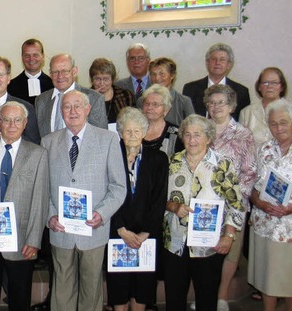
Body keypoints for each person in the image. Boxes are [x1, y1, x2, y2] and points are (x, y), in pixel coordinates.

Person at [42, 90, 126, 311]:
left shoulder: (108, 139)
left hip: (94, 229)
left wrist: (102, 213)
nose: (72, 111)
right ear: (61, 112)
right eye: (67, 107)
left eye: (78, 105)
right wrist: (50, 216)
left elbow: (118, 187)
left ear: (88, 109)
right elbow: (41, 188)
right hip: (60, 230)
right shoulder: (48, 142)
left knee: (91, 289)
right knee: (62, 290)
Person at [0, 101, 50, 311]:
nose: (11, 125)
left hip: (21, 241)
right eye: (6, 120)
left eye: (17, 120)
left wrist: (34, 240)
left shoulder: (38, 154)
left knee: (19, 299)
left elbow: (40, 200)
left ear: (25, 123)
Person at [163, 114, 244, 310]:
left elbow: (236, 203)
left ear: (208, 138)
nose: (191, 140)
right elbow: (156, 198)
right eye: (187, 134)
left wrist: (229, 236)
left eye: (197, 135)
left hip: (209, 245)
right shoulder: (171, 162)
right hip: (175, 242)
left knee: (207, 299)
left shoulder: (223, 164)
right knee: (174, 299)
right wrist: (173, 206)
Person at [105, 107, 168, 311]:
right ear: (120, 133)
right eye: (127, 131)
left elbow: (160, 199)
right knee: (119, 289)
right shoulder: (110, 157)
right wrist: (121, 229)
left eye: (137, 131)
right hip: (117, 233)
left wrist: (145, 232)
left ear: (144, 132)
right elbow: (105, 195)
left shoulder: (158, 159)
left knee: (143, 288)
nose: (132, 136)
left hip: (146, 237)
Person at [204, 84, 257, 310]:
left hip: (233, 203)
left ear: (232, 106)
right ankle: (205, 294)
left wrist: (232, 197)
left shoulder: (243, 134)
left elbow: (250, 171)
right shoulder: (199, 128)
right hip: (203, 202)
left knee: (230, 251)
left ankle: (222, 297)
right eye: (212, 102)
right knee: (204, 250)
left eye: (221, 103)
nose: (216, 107)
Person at [248, 100, 292, 311]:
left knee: (288, 279)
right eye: (273, 124)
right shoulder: (264, 149)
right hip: (263, 224)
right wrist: (258, 202)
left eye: (283, 122)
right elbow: (254, 186)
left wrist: (290, 208)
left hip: (289, 227)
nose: (278, 128)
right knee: (267, 279)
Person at [35, 54, 108, 137]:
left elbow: (101, 137)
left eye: (64, 71)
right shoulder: (41, 100)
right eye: (55, 72)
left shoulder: (94, 99)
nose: (60, 76)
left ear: (74, 71)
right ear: (50, 74)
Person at [182, 43, 251, 120]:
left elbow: (243, 121)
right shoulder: (190, 89)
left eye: (222, 60)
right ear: (207, 62)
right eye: (214, 59)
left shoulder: (241, 92)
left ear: (229, 64)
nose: (217, 63)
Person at [137, 57, 194, 126]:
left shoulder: (184, 102)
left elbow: (192, 127)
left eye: (162, 74)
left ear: (172, 75)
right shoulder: (142, 101)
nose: (157, 78)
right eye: (153, 74)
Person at [240, 67, 289, 147]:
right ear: (259, 87)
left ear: (282, 87)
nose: (269, 86)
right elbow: (241, 145)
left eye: (274, 83)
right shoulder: (246, 113)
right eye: (265, 83)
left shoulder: (290, 110)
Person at [140, 84, 184, 158]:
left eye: (155, 104)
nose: (150, 107)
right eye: (147, 104)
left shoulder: (176, 134)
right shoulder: (135, 130)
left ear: (166, 109)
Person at [7, 38, 54, 106]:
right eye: (27, 55)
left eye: (35, 55)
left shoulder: (53, 85)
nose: (31, 59)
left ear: (43, 56)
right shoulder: (11, 86)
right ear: (22, 57)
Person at [89, 58, 135, 124]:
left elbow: (134, 120)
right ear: (92, 80)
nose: (102, 83)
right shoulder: (85, 98)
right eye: (97, 79)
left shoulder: (126, 95)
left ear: (112, 79)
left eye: (106, 79)